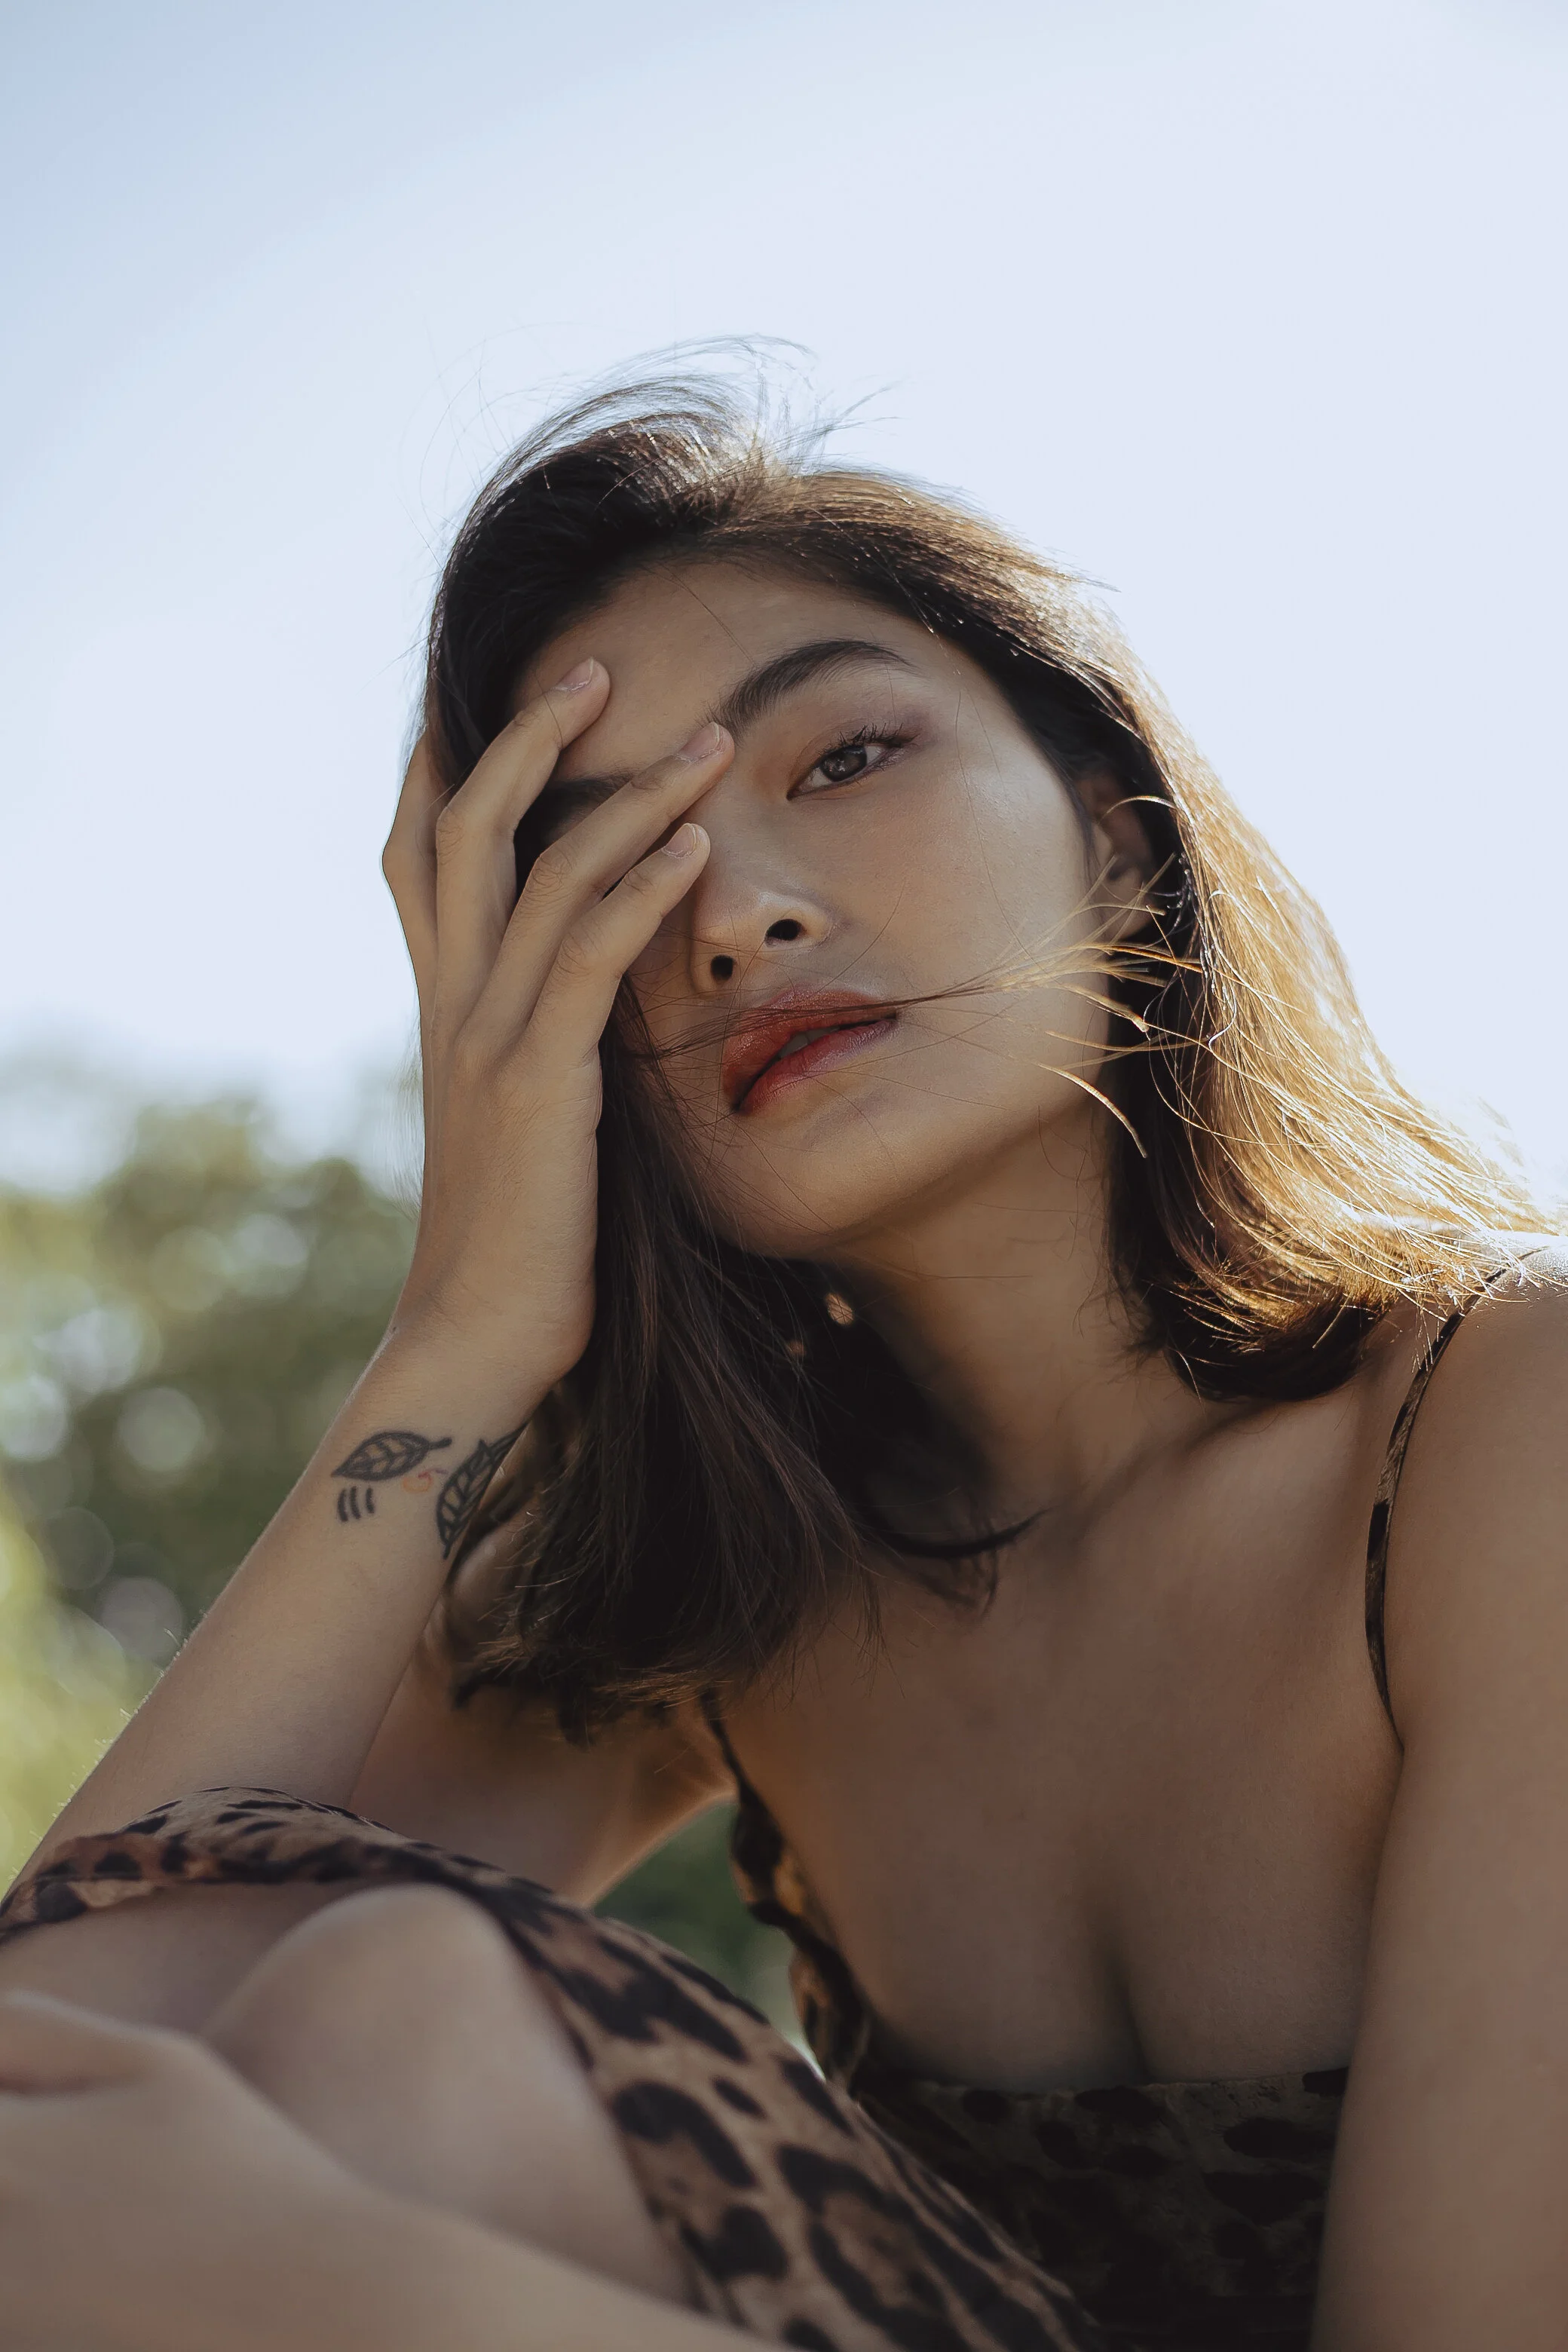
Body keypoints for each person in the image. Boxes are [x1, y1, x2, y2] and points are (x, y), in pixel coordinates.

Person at [1, 378, 1563, 2352]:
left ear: (1113, 833)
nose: (736, 913)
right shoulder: (749, 1590)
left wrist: (382, 2291)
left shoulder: (1503, 1431)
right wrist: (462, 1333)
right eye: (606, 864)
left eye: (846, 759)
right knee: (388, 2009)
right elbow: (52, 2055)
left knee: (400, 2035)